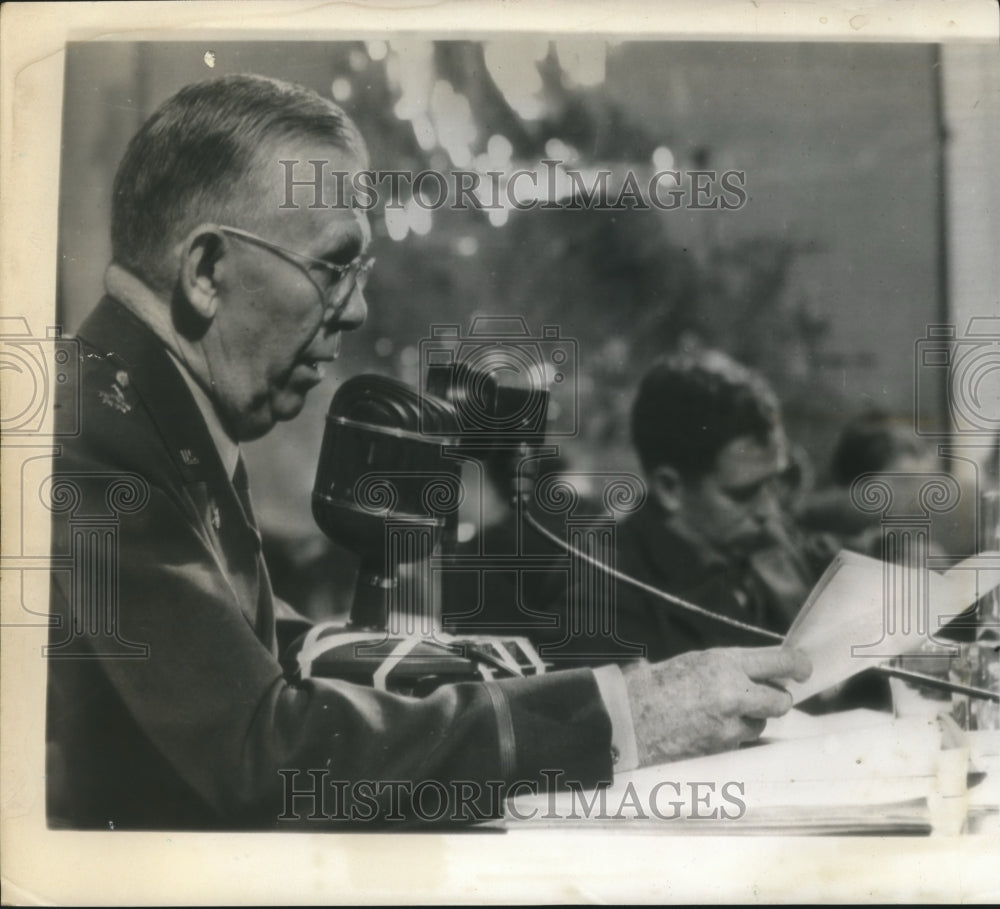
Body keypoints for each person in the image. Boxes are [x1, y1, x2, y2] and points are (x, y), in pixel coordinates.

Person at [46, 74, 810, 830]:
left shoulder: (137, 404)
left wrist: (452, 663)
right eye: (334, 266)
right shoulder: (91, 443)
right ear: (208, 271)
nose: (358, 309)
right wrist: (619, 715)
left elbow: (237, 646)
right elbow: (266, 751)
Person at [548, 350, 835, 665]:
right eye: (743, 493)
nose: (770, 510)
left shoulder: (766, 535)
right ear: (670, 487)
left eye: (775, 482)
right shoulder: (596, 596)